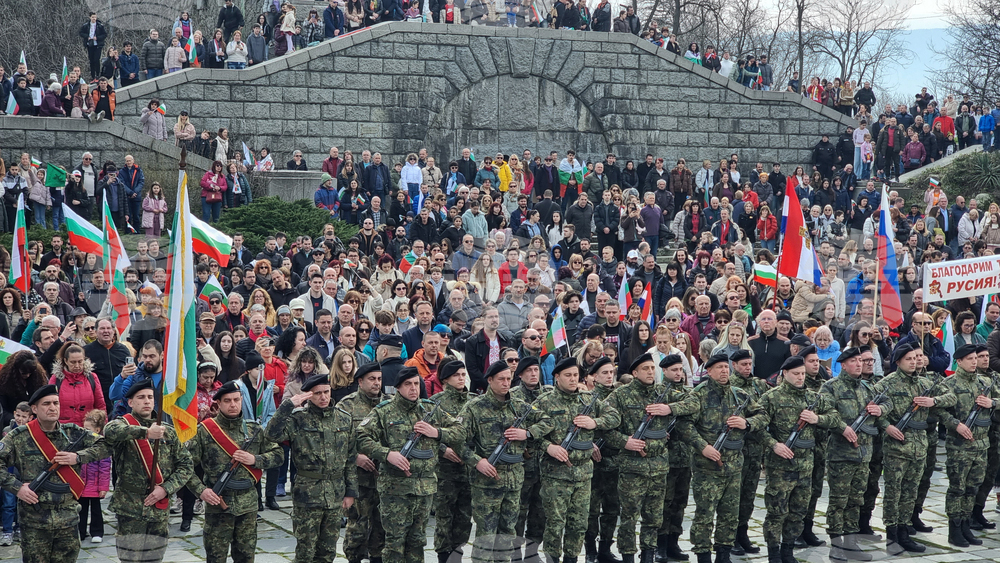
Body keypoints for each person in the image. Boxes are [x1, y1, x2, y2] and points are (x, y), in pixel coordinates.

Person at [77, 379, 194, 563]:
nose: (146, 401)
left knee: (155, 558)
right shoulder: (122, 425)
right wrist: (146, 433)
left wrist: (166, 488)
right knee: (130, 558)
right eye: (141, 398)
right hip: (131, 507)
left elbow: (186, 465)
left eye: (149, 397)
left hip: (159, 506)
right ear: (131, 402)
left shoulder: (168, 432)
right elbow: (111, 431)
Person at [356, 367, 462, 563]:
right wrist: (387, 454)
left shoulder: (431, 409)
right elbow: (361, 437)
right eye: (408, 384)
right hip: (395, 489)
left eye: (416, 384)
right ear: (398, 387)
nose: (413, 388)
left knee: (417, 541)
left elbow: (461, 430)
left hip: (425, 488)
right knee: (395, 542)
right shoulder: (384, 411)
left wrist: (436, 433)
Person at [672, 353, 766, 563]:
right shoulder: (699, 394)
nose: (724, 371)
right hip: (707, 467)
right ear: (709, 371)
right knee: (705, 515)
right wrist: (702, 446)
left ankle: (723, 554)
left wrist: (747, 424)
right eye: (719, 368)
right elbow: (683, 424)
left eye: (726, 367)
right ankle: (703, 554)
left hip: (734, 465)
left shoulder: (739, 394)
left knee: (729, 514)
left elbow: (763, 414)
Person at [457, 359, 551, 563]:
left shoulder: (519, 406)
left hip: (514, 479)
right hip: (486, 481)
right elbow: (458, 441)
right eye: (501, 379)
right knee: (486, 535)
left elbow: (547, 421)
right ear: (490, 380)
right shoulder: (474, 407)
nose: (506, 383)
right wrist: (476, 461)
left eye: (509, 379)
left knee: (508, 532)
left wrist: (526, 433)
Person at [603, 353, 692, 563]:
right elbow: (603, 426)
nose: (651, 372)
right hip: (632, 467)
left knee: (653, 518)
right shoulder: (619, 396)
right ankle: (627, 556)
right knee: (629, 517)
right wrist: (625, 441)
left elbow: (694, 402)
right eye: (645, 369)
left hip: (659, 466)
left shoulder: (665, 392)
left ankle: (649, 555)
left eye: (653, 368)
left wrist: (669, 408)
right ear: (634, 373)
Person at [0, 385, 103, 562]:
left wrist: (78, 457)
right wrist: (17, 488)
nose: (52, 407)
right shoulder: (19, 437)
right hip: (35, 521)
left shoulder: (73, 433)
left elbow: (105, 445)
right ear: (34, 409)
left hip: (68, 519)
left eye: (56, 403)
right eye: (46, 403)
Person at [184, 380, 284, 563]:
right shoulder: (206, 431)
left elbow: (278, 455)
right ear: (219, 403)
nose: (233, 405)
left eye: (236, 400)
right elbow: (185, 467)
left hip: (248, 504)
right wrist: (201, 491)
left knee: (246, 557)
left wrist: (256, 460)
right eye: (228, 401)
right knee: (216, 557)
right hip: (218, 503)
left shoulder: (254, 429)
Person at [532, 358, 620, 563]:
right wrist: (548, 447)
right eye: (567, 375)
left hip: (583, 473)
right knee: (555, 524)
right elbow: (528, 436)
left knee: (579, 523)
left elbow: (615, 417)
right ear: (556, 377)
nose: (573, 380)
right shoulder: (543, 402)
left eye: (575, 376)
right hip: (556, 474)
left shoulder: (588, 400)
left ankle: (572, 558)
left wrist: (594, 422)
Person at [755, 355, 840, 563]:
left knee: (798, 511)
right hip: (781, 466)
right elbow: (757, 427)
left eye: (803, 373)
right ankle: (774, 552)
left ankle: (788, 549)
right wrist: (774, 444)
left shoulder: (814, 398)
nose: (801, 377)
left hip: (806, 465)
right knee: (777, 512)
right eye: (796, 374)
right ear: (785, 374)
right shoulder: (771, 397)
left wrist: (817, 419)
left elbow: (835, 419)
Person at [265, 373, 356, 563]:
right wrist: (288, 405)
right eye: (317, 393)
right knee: (306, 552)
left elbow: (350, 458)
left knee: (328, 551)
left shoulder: (344, 419)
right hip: (308, 493)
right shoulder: (298, 418)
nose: (323, 397)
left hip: (334, 493)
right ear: (308, 395)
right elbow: (271, 434)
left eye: (326, 392)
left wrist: (350, 491)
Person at [873, 344, 953, 555]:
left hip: (920, 444)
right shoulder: (886, 384)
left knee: (911, 492)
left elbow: (951, 397)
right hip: (897, 445)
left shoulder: (924, 383)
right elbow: (872, 409)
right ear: (898, 361)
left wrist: (933, 400)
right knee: (894, 492)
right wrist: (886, 426)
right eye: (907, 358)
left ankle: (904, 532)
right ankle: (892, 536)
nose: (912, 361)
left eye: (914, 358)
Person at [937, 344, 998, 547]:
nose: (974, 361)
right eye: (970, 359)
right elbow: (940, 411)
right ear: (959, 361)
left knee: (973, 487)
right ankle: (954, 529)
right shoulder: (949, 383)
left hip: (982, 444)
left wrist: (993, 403)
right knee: (958, 488)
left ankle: (965, 525)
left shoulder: (984, 382)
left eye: (975, 358)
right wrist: (956, 425)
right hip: (960, 445)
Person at [338, 364, 386, 563]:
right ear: (360, 381)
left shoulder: (388, 404)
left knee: (381, 526)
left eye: (379, 379)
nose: (376, 383)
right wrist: (355, 456)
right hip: (357, 479)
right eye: (372, 379)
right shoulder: (346, 406)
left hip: (383, 478)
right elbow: (337, 441)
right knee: (357, 526)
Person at [426, 360, 472, 563]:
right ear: (445, 379)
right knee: (445, 517)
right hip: (445, 470)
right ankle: (443, 556)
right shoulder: (435, 402)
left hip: (468, 468)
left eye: (463, 374)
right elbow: (425, 435)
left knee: (464, 518)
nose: (461, 378)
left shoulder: (473, 401)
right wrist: (443, 450)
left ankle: (458, 555)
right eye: (457, 375)